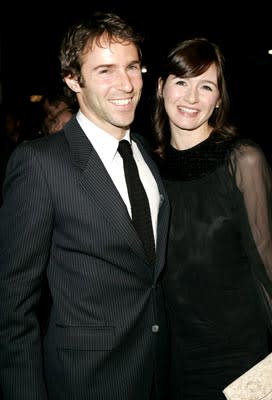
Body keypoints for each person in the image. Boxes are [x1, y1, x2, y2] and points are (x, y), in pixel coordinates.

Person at [0, 12, 170, 400]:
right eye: (105, 71)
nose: (126, 84)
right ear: (73, 79)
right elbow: (12, 310)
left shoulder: (143, 150)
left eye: (132, 67)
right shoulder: (40, 164)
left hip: (159, 375)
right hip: (87, 382)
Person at [152, 37, 272, 400]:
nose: (191, 98)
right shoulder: (146, 167)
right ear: (160, 88)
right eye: (181, 82)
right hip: (175, 362)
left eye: (206, 86)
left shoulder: (243, 160)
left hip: (243, 361)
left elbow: (267, 268)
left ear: (219, 99)